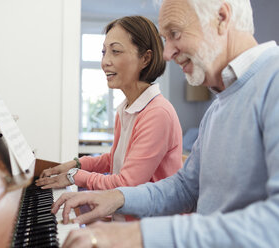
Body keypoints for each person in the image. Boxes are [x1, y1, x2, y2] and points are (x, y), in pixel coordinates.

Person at [52, 0, 279, 247]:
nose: (168, 53)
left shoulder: (273, 82)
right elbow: (185, 189)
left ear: (221, 18)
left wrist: (137, 235)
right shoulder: (220, 104)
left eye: (175, 34)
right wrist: (116, 197)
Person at [36, 16, 182, 195]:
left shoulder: (158, 113)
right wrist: (76, 164)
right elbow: (115, 159)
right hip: (124, 216)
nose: (105, 62)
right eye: (104, 52)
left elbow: (126, 184)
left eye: (116, 51)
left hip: (148, 221)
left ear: (145, 58)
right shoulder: (127, 108)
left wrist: (75, 176)